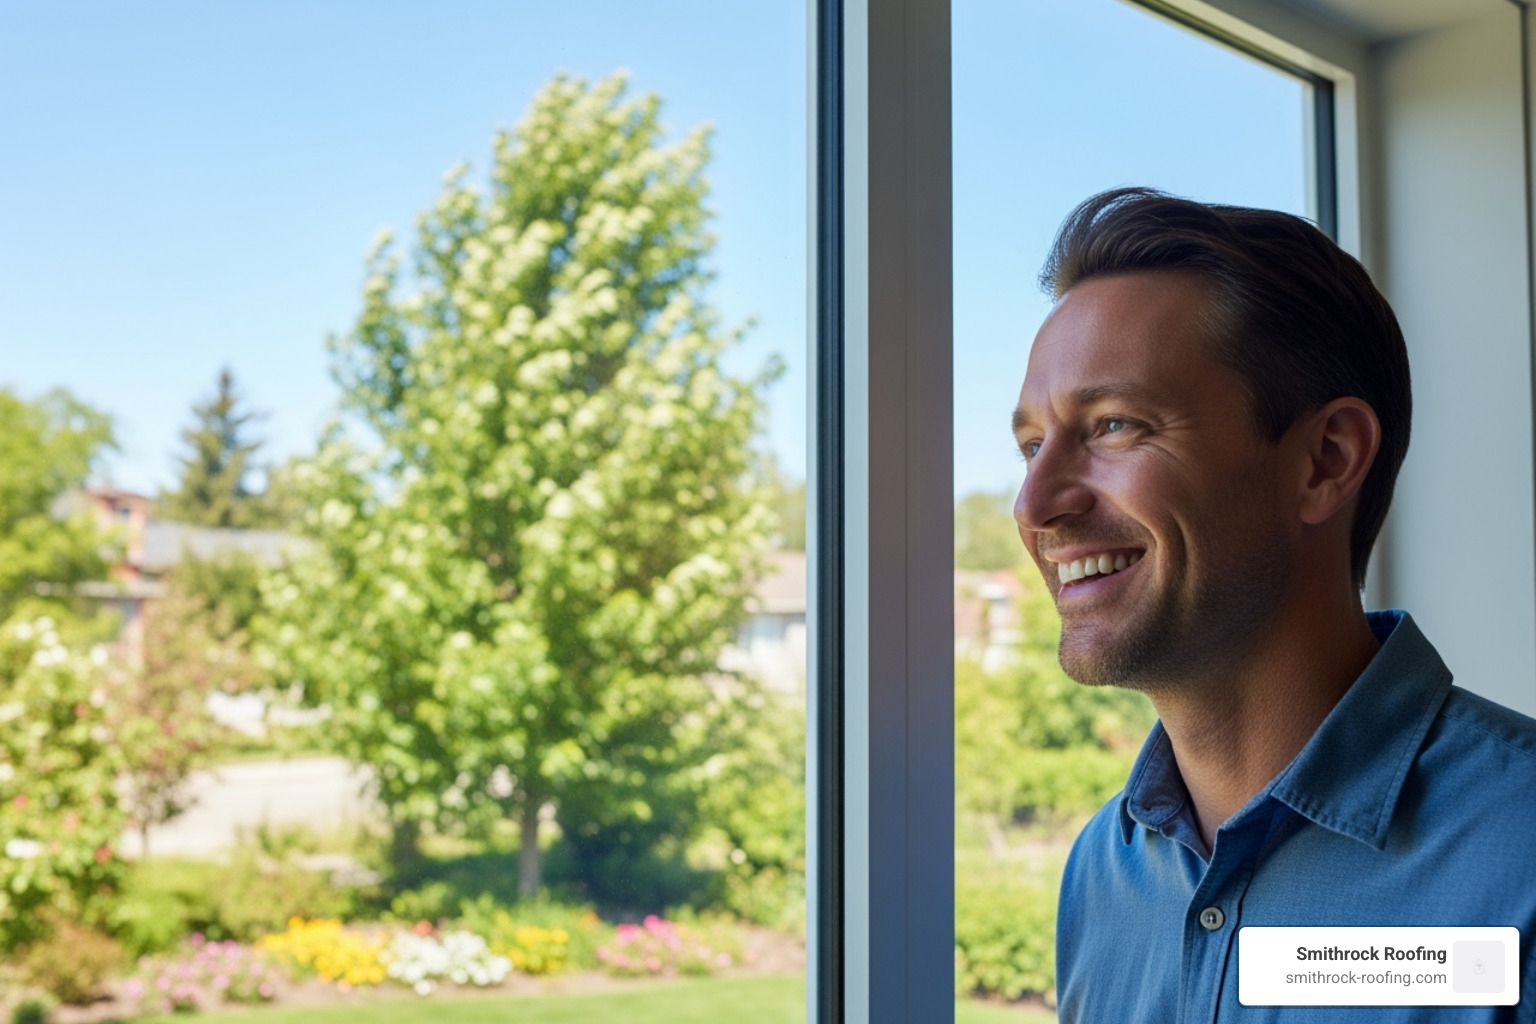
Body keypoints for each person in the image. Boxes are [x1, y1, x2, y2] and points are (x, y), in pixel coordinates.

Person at [1011, 188, 1536, 1022]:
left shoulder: (1523, 857)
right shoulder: (1101, 877)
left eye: (1114, 425)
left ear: (1326, 460)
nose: (1034, 504)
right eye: (1033, 445)